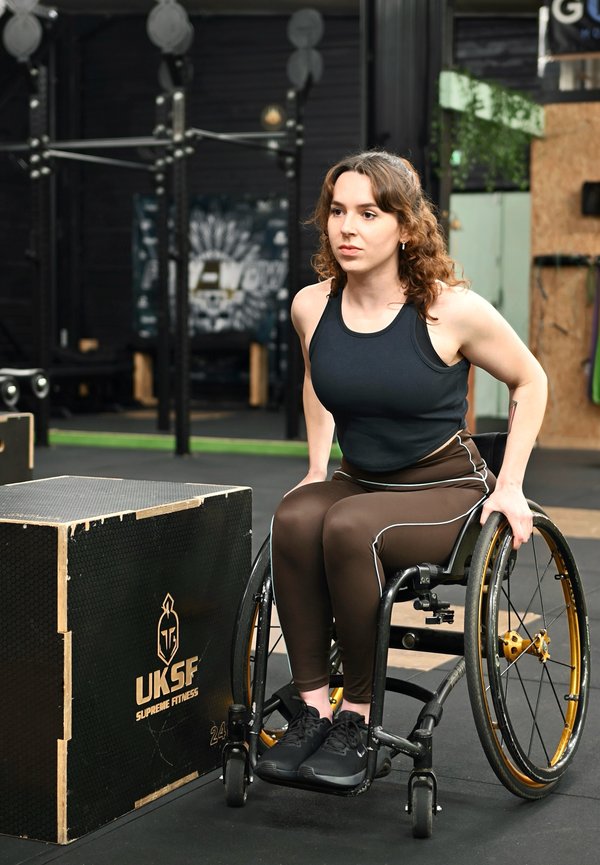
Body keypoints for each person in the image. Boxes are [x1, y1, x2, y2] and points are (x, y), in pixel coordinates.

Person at [255, 150, 547, 790]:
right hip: (360, 477)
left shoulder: (451, 309)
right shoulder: (313, 306)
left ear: (407, 227)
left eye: (369, 213)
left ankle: (357, 718)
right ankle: (312, 710)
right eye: (337, 212)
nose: (347, 228)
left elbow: (532, 379)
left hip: (443, 487)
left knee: (349, 526)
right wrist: (315, 464)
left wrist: (512, 486)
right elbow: (318, 378)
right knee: (297, 515)